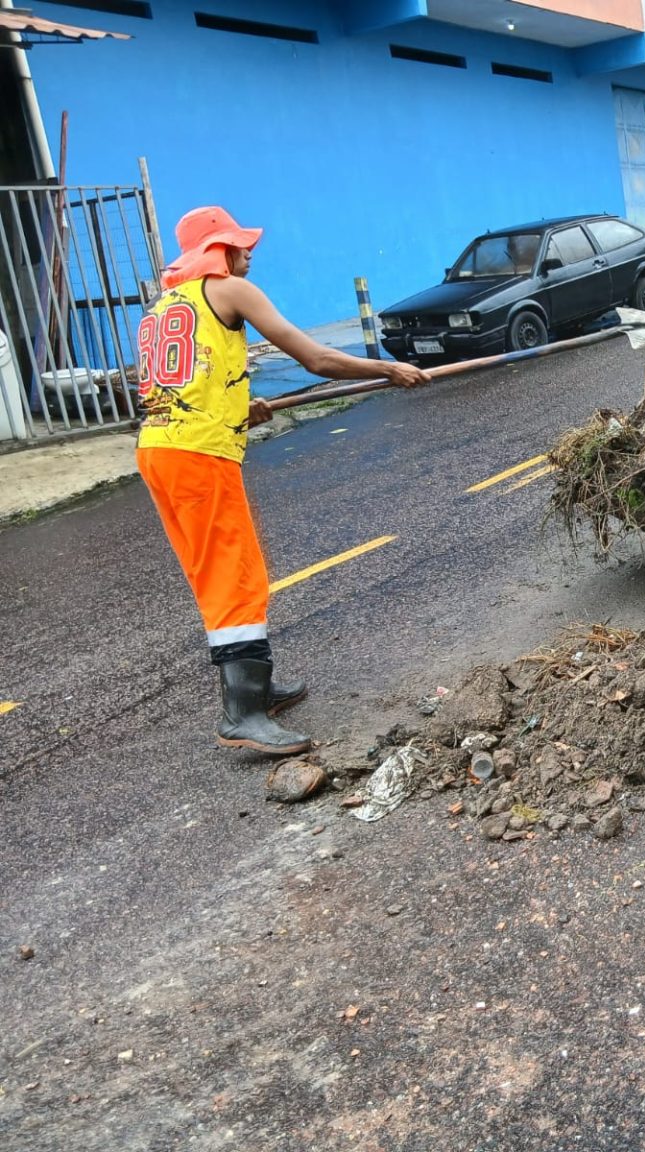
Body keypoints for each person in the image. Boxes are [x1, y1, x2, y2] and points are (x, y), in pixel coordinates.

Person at [136, 206, 430, 754]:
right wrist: (386, 369)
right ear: (215, 251)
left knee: (218, 572)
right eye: (237, 243)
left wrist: (240, 405)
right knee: (236, 576)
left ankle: (257, 687)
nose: (249, 251)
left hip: (161, 450)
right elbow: (315, 358)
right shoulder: (227, 290)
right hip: (198, 457)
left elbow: (174, 384)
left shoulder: (165, 305)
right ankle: (242, 712)